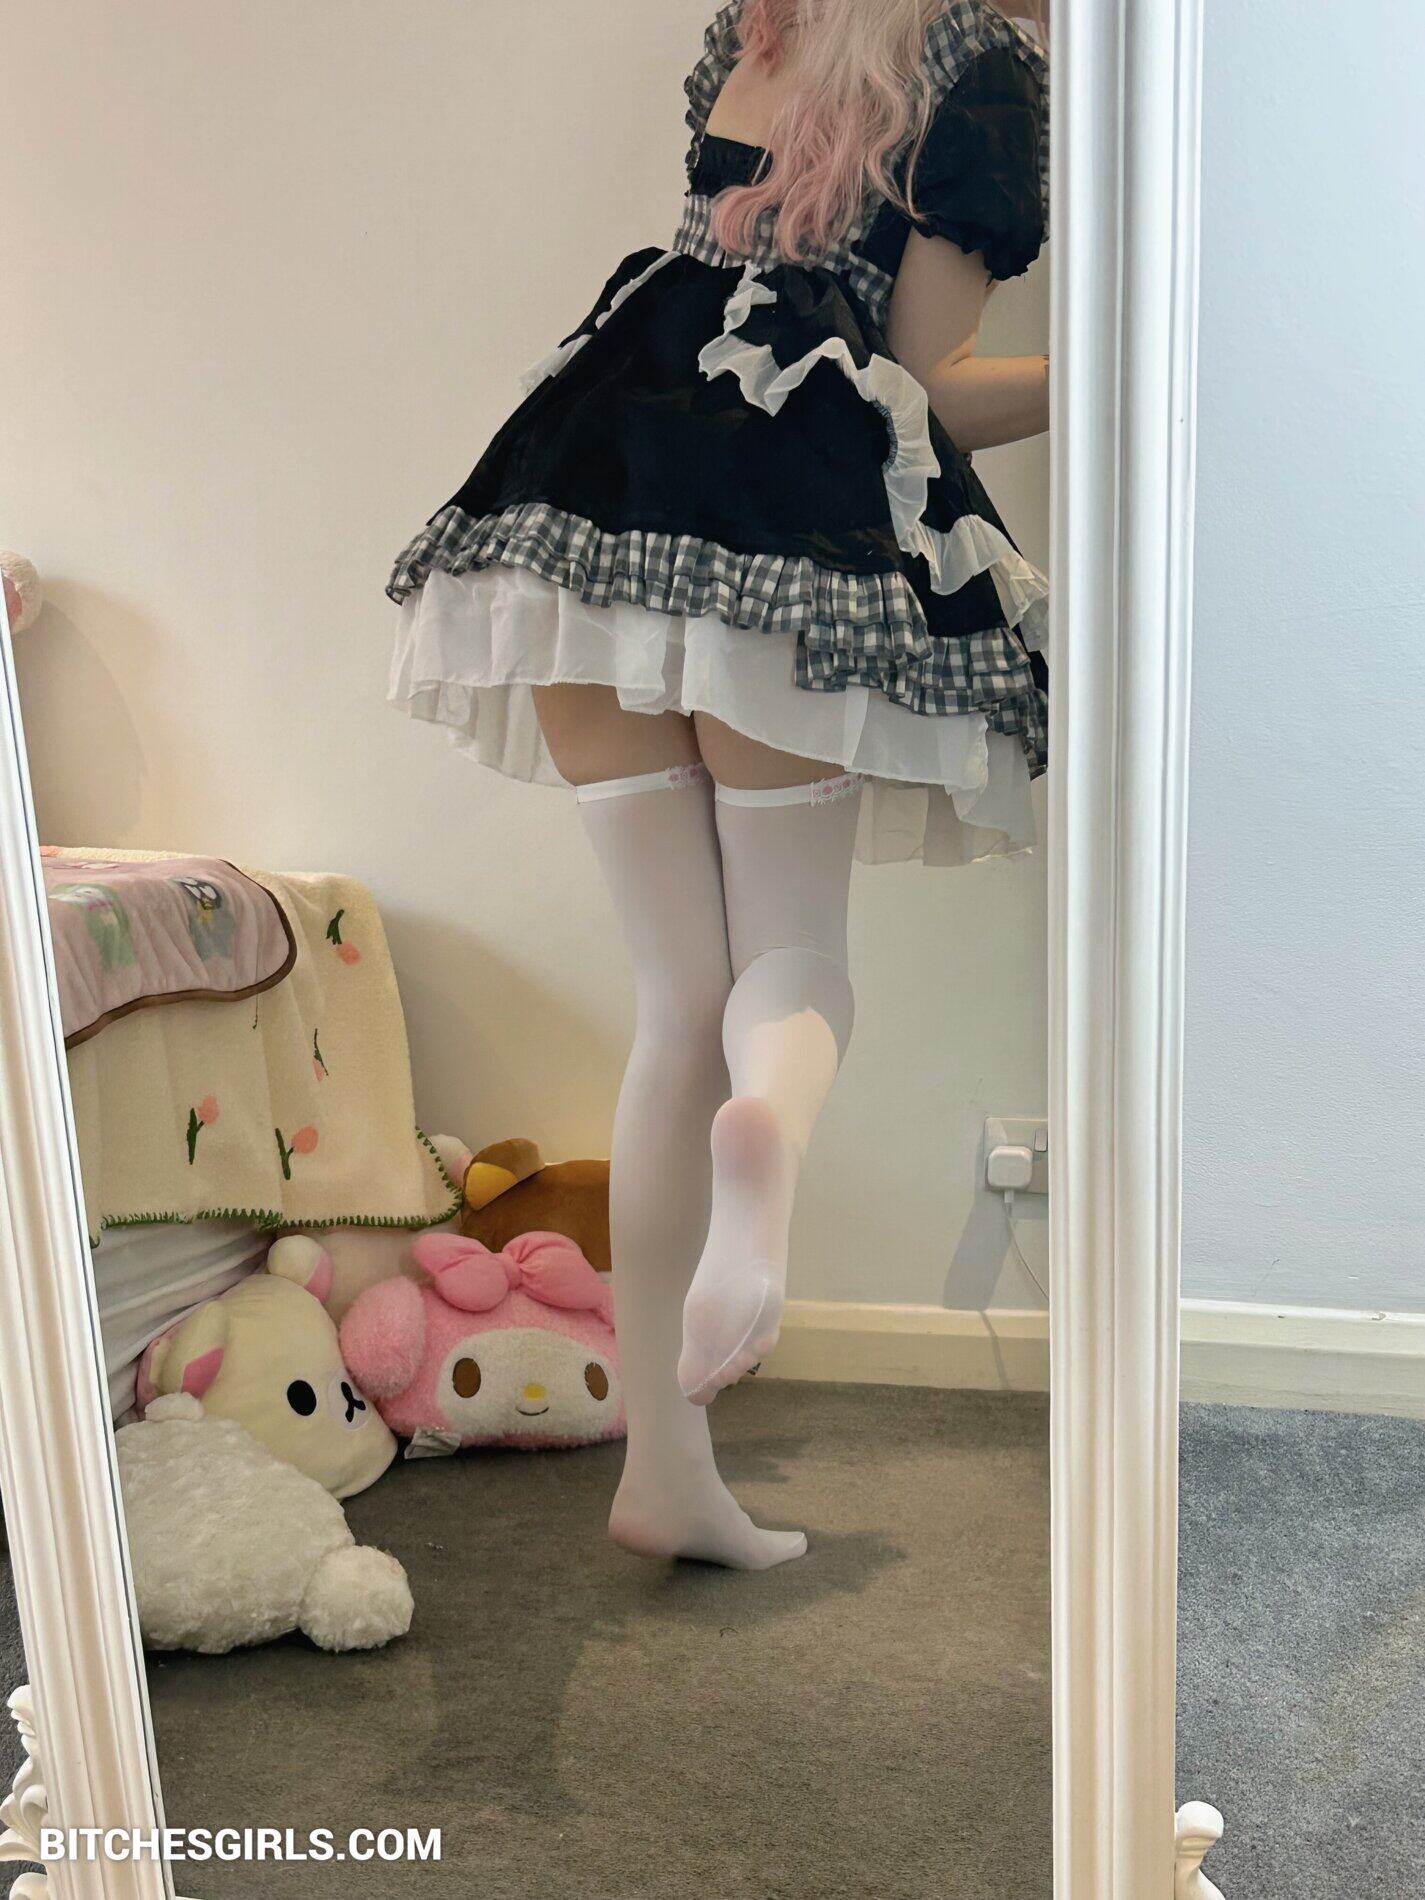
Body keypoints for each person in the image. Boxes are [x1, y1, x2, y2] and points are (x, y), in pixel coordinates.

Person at [388, 0, 1049, 1567]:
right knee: (790, 959)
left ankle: (665, 1467)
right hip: (777, 526)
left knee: (674, 997)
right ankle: (771, 1143)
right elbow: (922, 380)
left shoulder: (754, 29)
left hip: (585, 490)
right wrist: (1111, 374)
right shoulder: (975, 68)